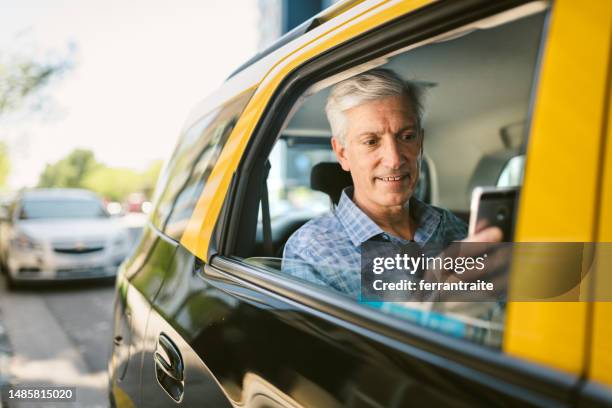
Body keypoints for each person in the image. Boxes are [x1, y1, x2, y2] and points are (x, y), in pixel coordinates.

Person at [282, 68, 501, 297]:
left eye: (406, 137)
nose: (394, 160)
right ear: (343, 154)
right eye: (371, 141)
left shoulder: (454, 229)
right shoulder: (311, 252)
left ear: (421, 143)